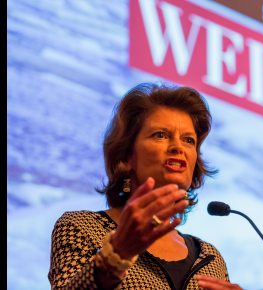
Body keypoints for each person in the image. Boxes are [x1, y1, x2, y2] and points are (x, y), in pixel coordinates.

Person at [48, 83, 242, 290]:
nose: (178, 147)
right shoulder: (83, 228)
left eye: (188, 140)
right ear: (126, 156)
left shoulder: (211, 259)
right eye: (161, 135)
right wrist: (116, 256)